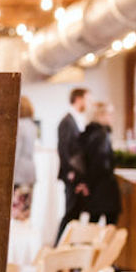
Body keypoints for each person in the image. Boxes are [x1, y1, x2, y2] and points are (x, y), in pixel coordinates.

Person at [78, 101, 121, 225]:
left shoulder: (89, 132)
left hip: (94, 187)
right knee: (110, 225)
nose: (112, 117)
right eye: (110, 114)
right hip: (104, 187)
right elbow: (101, 163)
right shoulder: (102, 134)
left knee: (93, 223)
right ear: (101, 115)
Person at [56, 87, 90, 242]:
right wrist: (70, 171)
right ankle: (58, 247)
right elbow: (63, 148)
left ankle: (66, 248)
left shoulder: (76, 119)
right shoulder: (67, 122)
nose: (88, 102)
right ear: (78, 99)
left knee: (74, 214)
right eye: (87, 99)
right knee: (70, 213)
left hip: (76, 174)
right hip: (72, 175)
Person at [12, 96, 37, 222]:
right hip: (30, 172)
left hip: (18, 173)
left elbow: (15, 152)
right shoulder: (32, 126)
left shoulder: (19, 126)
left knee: (15, 210)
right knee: (25, 211)